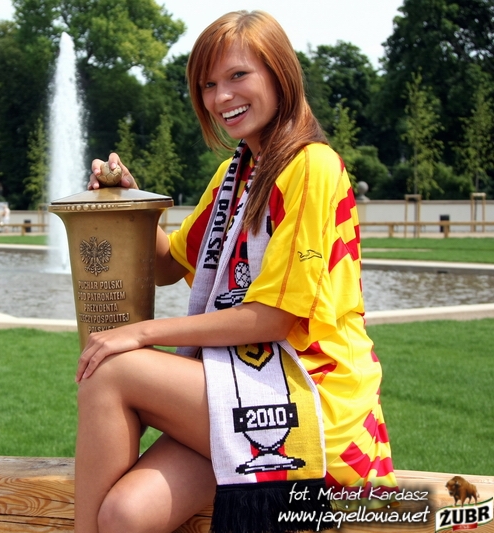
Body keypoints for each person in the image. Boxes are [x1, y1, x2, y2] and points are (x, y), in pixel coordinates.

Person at [75, 10, 397, 533]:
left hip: (311, 395)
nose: (221, 96)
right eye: (208, 84)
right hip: (241, 384)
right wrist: (129, 204)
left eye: (238, 76)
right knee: (125, 514)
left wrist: (141, 333)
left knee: (110, 369)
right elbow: (167, 265)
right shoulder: (236, 174)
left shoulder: (312, 166)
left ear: (279, 75)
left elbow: (272, 318)